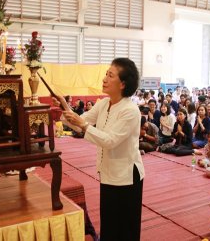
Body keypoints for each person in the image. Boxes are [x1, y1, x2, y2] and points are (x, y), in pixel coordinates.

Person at [54, 58, 144, 241]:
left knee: (126, 228)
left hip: (127, 176)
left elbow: (110, 140)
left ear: (122, 84)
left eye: (110, 75)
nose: (104, 79)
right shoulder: (104, 104)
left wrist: (83, 124)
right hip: (108, 172)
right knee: (109, 223)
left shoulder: (130, 110)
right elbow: (80, 123)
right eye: (106, 74)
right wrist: (65, 107)